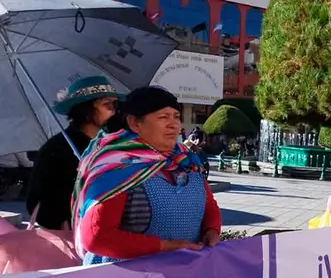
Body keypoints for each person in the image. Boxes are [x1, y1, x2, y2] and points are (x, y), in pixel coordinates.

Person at [74, 87, 221, 265]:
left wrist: (212, 230)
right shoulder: (118, 167)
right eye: (163, 117)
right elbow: (97, 237)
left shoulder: (186, 160)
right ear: (135, 123)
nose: (174, 125)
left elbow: (208, 204)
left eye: (176, 117)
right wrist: (166, 246)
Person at [26, 76, 121, 230]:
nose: (113, 110)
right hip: (73, 232)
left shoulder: (108, 143)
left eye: (115, 103)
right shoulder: (57, 149)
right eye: (107, 104)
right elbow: (39, 202)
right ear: (85, 110)